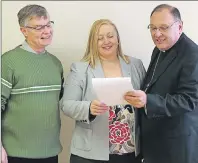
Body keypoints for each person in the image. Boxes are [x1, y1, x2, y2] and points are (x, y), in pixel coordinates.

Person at [62, 19, 145, 163]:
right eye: (100, 38)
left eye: (110, 36)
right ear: (92, 42)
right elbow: (66, 105)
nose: (106, 41)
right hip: (90, 154)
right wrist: (88, 108)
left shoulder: (135, 65)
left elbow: (146, 98)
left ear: (117, 38)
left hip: (130, 151)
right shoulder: (81, 68)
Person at [124, 4, 198, 163]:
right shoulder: (158, 49)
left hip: (176, 147)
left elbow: (189, 100)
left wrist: (147, 101)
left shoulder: (193, 54)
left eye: (163, 27)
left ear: (180, 26)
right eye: (153, 28)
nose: (157, 34)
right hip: (155, 144)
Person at [1, 4, 64, 163]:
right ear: (24, 31)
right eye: (38, 27)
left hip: (50, 152)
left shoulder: (55, 64)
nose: (47, 31)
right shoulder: (8, 62)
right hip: (15, 154)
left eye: (48, 24)